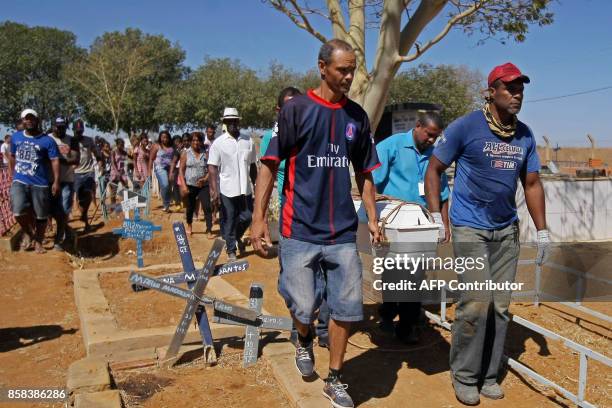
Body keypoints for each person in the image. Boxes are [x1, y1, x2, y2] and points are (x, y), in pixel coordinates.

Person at [252, 39, 381, 408]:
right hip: (298, 229)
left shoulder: (357, 117)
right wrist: (259, 219)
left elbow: (366, 173)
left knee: (345, 308)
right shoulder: (296, 110)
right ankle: (304, 336)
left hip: (342, 232)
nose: (349, 77)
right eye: (342, 69)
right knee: (304, 306)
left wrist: (372, 218)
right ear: (322, 67)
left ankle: (335, 378)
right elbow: (269, 163)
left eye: (353, 69)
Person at [425, 62, 550, 405]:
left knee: (500, 307)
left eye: (520, 88)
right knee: (477, 303)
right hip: (470, 229)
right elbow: (434, 170)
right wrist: (438, 217)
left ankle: (489, 374)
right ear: (491, 91)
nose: (517, 94)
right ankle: (465, 376)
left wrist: (542, 231)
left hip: (506, 231)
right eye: (509, 88)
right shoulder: (467, 127)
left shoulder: (523, 135)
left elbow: (532, 183)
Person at [373, 111, 450, 344]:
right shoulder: (391, 146)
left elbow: (442, 193)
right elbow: (372, 183)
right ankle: (387, 315)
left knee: (416, 274)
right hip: (393, 221)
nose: (431, 140)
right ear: (418, 126)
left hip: (422, 224)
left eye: (435, 137)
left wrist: (443, 225)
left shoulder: (435, 156)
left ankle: (407, 326)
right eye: (428, 135)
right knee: (393, 272)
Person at [208, 108, 257, 261]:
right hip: (227, 189)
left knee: (247, 217)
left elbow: (253, 165)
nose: (233, 124)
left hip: (245, 188)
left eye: (235, 120)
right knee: (229, 219)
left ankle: (235, 237)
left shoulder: (248, 141)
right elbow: (212, 167)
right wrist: (214, 190)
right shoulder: (219, 143)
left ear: (239, 122)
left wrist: (255, 185)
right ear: (225, 123)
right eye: (229, 121)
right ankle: (231, 250)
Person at [8, 109, 60, 253]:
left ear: (37, 120)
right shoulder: (16, 137)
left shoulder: (47, 140)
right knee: (17, 211)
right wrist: (12, 175)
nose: (29, 121)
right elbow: (12, 156)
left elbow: (54, 160)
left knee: (41, 215)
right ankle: (29, 232)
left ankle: (38, 241)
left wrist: (56, 181)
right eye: (26, 119)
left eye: (32, 118)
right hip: (20, 180)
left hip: (40, 182)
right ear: (23, 121)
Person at [48, 117, 80, 251]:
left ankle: (59, 237)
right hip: (48, 180)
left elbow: (75, 159)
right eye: (58, 127)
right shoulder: (47, 139)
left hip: (67, 180)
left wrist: (56, 159)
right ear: (53, 126)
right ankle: (67, 230)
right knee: (50, 209)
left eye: (63, 127)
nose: (60, 129)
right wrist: (64, 159)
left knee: (64, 208)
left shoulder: (71, 140)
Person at [178, 132, 213, 237]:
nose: (196, 142)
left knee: (207, 206)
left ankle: (209, 229)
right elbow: (181, 170)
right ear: (190, 141)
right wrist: (183, 185)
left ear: (201, 141)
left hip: (203, 185)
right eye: (193, 140)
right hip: (190, 185)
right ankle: (189, 224)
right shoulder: (185, 153)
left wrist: (205, 179)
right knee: (190, 207)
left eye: (198, 140)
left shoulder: (206, 154)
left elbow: (210, 169)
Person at [73, 119, 102, 232]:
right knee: (80, 198)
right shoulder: (71, 141)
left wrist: (100, 163)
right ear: (74, 130)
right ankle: (84, 217)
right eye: (77, 131)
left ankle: (85, 220)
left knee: (88, 195)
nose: (79, 133)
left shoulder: (89, 140)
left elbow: (97, 153)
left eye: (81, 131)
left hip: (89, 171)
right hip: (75, 173)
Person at [148, 130, 174, 212]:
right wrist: (149, 170)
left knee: (169, 187)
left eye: (166, 137)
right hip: (160, 168)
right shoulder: (156, 146)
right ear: (160, 138)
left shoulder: (171, 147)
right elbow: (151, 159)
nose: (165, 139)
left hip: (169, 168)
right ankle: (166, 205)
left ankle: (167, 202)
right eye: (163, 137)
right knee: (165, 185)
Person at [109, 138, 129, 205]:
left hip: (122, 172)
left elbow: (129, 158)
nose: (122, 146)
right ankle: (113, 205)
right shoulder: (113, 152)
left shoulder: (124, 152)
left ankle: (126, 203)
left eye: (123, 145)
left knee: (126, 186)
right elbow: (113, 162)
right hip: (114, 172)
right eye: (120, 145)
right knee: (114, 190)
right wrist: (116, 172)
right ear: (117, 145)